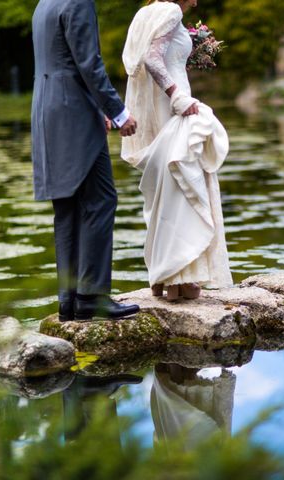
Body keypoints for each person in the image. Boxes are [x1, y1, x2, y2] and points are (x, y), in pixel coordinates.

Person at [31, 0, 141, 321]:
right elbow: (88, 64)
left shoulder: (44, 4)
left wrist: (98, 110)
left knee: (66, 207)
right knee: (100, 199)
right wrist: (117, 112)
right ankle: (91, 295)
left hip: (47, 110)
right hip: (72, 112)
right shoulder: (78, 1)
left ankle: (68, 299)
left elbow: (62, 63)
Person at [121, 0, 233, 302]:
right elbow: (152, 60)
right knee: (182, 185)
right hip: (174, 106)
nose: (196, 0)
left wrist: (190, 51)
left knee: (164, 191)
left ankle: (162, 278)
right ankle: (180, 277)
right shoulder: (171, 12)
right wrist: (177, 96)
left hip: (159, 110)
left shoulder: (145, 12)